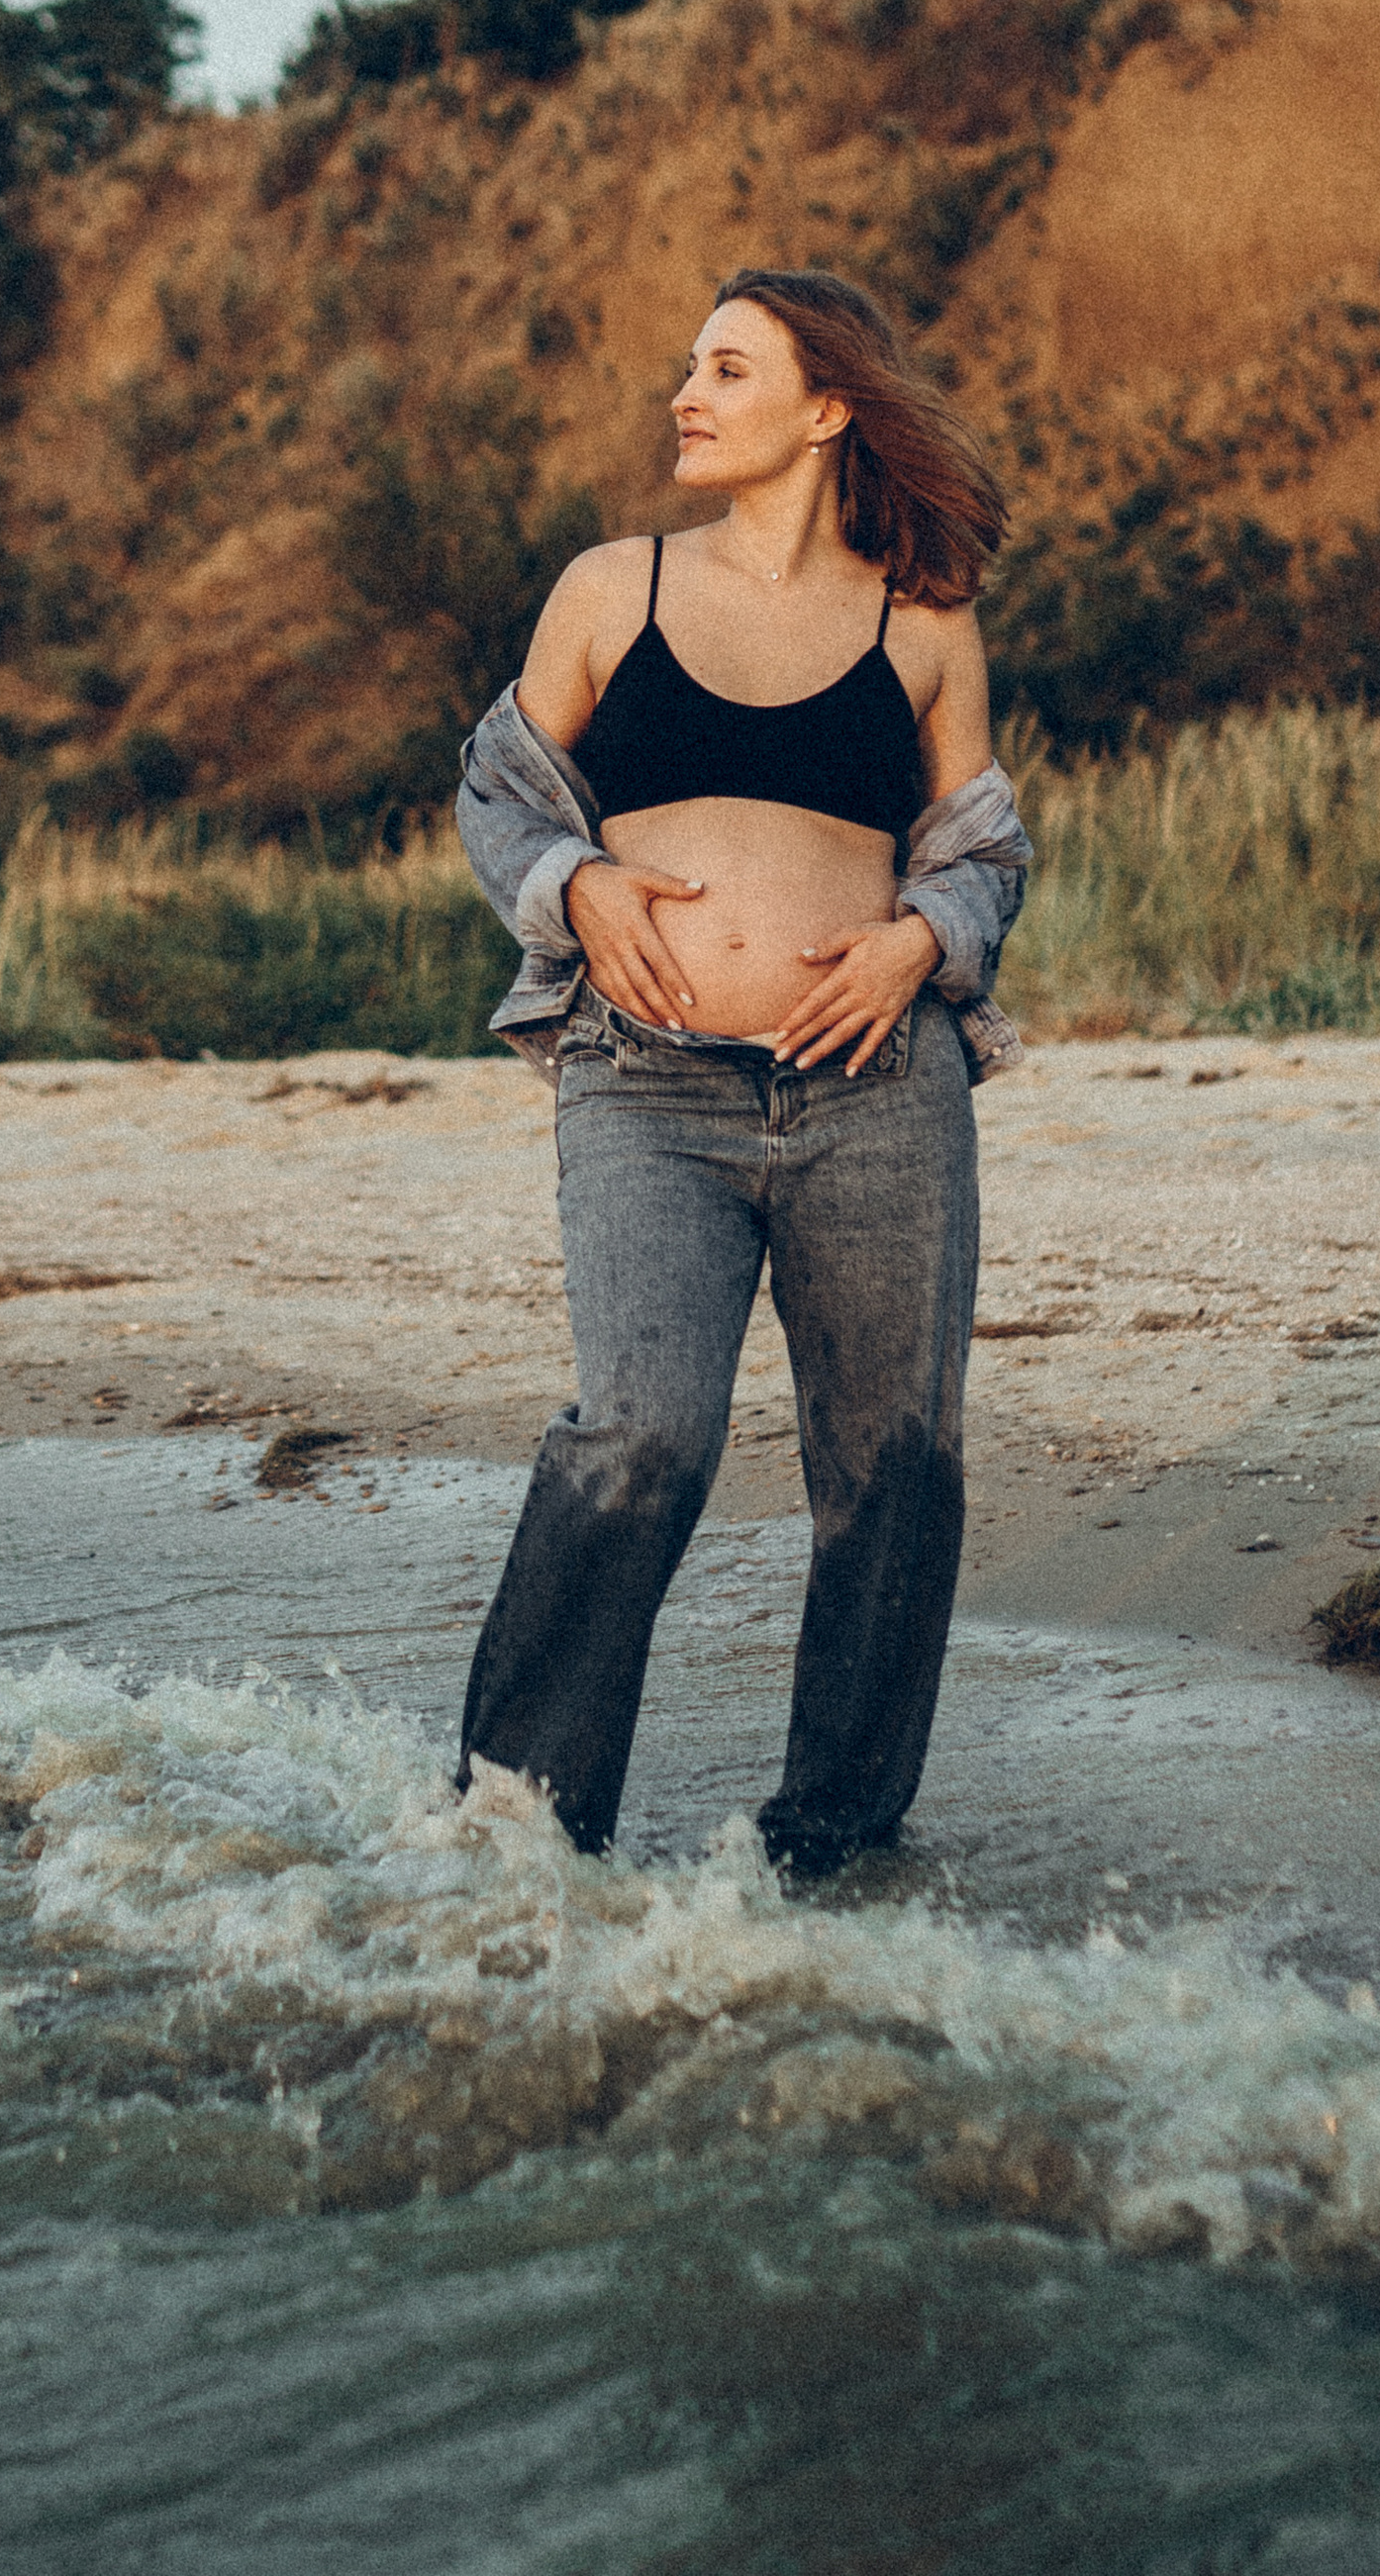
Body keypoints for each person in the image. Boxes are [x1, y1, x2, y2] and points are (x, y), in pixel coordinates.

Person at [453, 265, 1031, 1875]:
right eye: (689, 365)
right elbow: (501, 791)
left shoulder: (923, 623)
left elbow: (978, 845)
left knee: (896, 1465)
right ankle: (517, 1837)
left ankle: (831, 1846)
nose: (685, 395)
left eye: (726, 367)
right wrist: (574, 886)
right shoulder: (610, 589)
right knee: (641, 1435)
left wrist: (925, 940)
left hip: (877, 1093)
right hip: (645, 1086)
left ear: (827, 406)